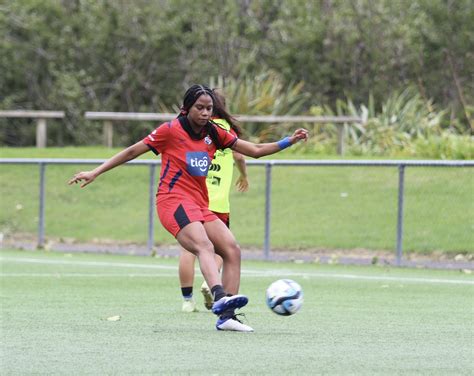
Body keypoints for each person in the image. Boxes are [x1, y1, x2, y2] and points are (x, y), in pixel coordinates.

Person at [68, 84, 308, 332]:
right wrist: (95, 172)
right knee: (203, 245)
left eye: (209, 108)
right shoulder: (170, 130)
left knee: (232, 250)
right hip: (172, 201)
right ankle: (219, 296)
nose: (205, 113)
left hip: (200, 204)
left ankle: (227, 317)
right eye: (200, 108)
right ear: (187, 108)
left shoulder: (213, 132)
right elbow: (132, 151)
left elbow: (255, 151)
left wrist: (289, 140)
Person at [179, 89, 249, 313]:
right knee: (222, 250)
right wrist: (244, 175)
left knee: (190, 250)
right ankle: (212, 284)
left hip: (193, 198)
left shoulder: (192, 129)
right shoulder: (225, 130)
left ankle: (187, 301)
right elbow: (240, 155)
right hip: (217, 202)